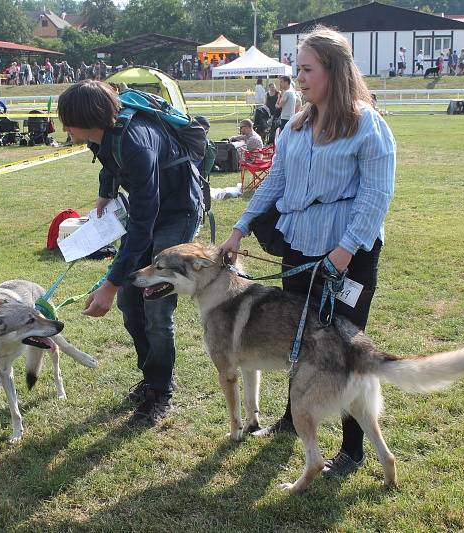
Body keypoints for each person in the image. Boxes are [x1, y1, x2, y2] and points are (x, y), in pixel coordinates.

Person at [219, 25, 396, 480]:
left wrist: (344, 251)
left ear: (334, 71)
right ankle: (294, 417)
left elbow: (375, 196)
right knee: (296, 339)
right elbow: (275, 183)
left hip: (347, 254)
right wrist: (239, 227)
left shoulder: (366, 124)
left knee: (344, 346)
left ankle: (352, 449)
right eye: (297, 68)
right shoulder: (296, 125)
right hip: (300, 248)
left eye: (307, 69)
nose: (298, 77)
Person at [56, 80, 203, 427]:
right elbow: (108, 162)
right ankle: (151, 377)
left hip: (177, 212)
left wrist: (110, 283)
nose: (64, 128)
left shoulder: (135, 141)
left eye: (67, 120)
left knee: (154, 304)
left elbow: (143, 222)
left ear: (86, 118)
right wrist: (106, 192)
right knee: (129, 303)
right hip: (149, 212)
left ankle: (161, 390)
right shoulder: (105, 134)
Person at [275, 75, 301, 140]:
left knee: (284, 137)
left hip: (285, 118)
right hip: (291, 117)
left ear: (286, 82)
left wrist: (279, 97)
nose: (280, 84)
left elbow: (279, 105)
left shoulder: (287, 93)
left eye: (281, 82)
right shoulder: (292, 92)